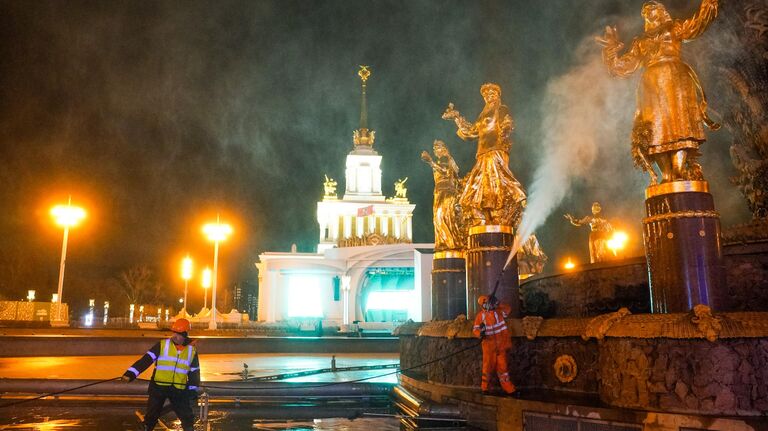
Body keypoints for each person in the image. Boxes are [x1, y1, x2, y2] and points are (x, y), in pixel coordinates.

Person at [597, 0, 720, 184]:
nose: (648, 13)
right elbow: (622, 67)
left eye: (652, 9)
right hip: (652, 86)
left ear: (661, 11)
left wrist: (709, 4)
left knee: (680, 127)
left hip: (676, 80)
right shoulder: (641, 42)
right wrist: (611, 49)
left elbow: (697, 25)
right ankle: (667, 175)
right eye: (645, 11)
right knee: (657, 130)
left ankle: (678, 171)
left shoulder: (674, 28)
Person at [442, 83, 526, 227]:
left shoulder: (501, 109)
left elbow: (507, 123)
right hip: (482, 153)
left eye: (491, 94)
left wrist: (504, 131)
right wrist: (456, 118)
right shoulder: (482, 115)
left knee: (497, 180)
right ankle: (487, 215)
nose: (488, 97)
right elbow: (472, 132)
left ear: (498, 95)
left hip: (496, 150)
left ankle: (517, 197)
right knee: (480, 184)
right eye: (486, 95)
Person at [121, 318, 200, 431]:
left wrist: (192, 392)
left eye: (178, 334)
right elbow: (146, 360)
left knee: (187, 417)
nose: (174, 336)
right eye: (174, 333)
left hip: (179, 389)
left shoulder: (191, 351)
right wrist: (130, 374)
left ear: (185, 335)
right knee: (151, 417)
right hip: (159, 387)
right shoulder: (162, 345)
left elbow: (194, 372)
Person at [421, 140, 465, 251]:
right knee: (440, 217)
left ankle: (449, 243)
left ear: (444, 148)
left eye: (437, 147)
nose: (435, 150)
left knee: (442, 216)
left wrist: (431, 162)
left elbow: (445, 171)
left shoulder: (445, 158)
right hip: (440, 191)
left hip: (446, 191)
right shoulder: (442, 160)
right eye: (434, 147)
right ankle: (444, 242)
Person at [472, 295, 516, 395]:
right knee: (487, 368)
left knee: (503, 368)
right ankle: (485, 388)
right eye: (486, 303)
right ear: (483, 305)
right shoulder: (481, 316)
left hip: (501, 347)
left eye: (489, 302)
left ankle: (509, 389)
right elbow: (475, 329)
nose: (489, 304)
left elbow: (508, 310)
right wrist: (480, 334)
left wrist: (498, 303)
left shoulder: (498, 312)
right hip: (488, 347)